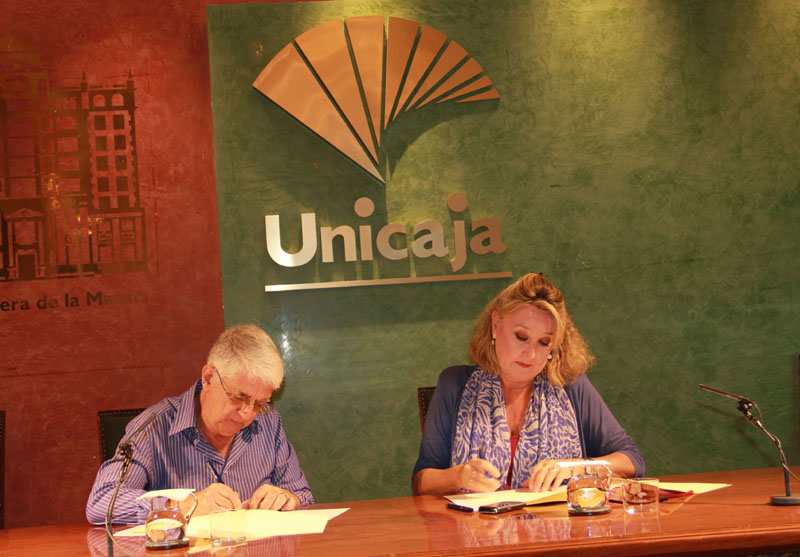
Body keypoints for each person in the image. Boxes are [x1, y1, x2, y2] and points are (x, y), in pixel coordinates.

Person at [412, 273, 645, 495]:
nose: (531, 354)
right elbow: (422, 481)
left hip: (555, 523)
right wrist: (458, 477)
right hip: (474, 522)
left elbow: (632, 460)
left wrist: (575, 468)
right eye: (521, 337)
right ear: (495, 325)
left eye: (544, 342)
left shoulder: (570, 386)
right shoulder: (455, 384)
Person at [86, 324, 313, 524]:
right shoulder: (154, 426)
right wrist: (182, 506)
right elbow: (102, 502)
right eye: (239, 397)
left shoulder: (269, 422)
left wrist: (287, 499)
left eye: (259, 403)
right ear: (208, 378)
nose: (247, 414)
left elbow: (302, 495)